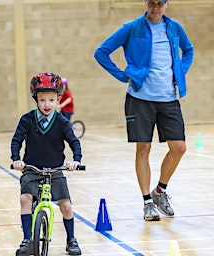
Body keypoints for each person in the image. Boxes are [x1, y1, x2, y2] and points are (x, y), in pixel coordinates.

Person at [94, 0, 194, 221]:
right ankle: (147, 202)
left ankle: (160, 191)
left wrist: (180, 71)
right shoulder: (132, 27)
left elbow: (188, 50)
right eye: (151, 3)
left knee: (179, 147)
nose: (155, 7)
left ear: (166, 5)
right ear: (146, 3)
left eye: (160, 3)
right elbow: (101, 52)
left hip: (169, 98)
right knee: (143, 148)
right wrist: (123, 75)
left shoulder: (174, 27)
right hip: (140, 98)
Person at [11, 72, 82, 255]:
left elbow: (74, 142)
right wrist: (16, 159)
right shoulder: (27, 119)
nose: (46, 104)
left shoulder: (61, 121)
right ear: (36, 99)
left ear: (58, 99)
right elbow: (16, 140)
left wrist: (76, 160)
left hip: (55, 170)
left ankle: (71, 239)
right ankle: (27, 239)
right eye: (42, 100)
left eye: (51, 100)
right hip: (32, 169)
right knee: (25, 199)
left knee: (66, 205)